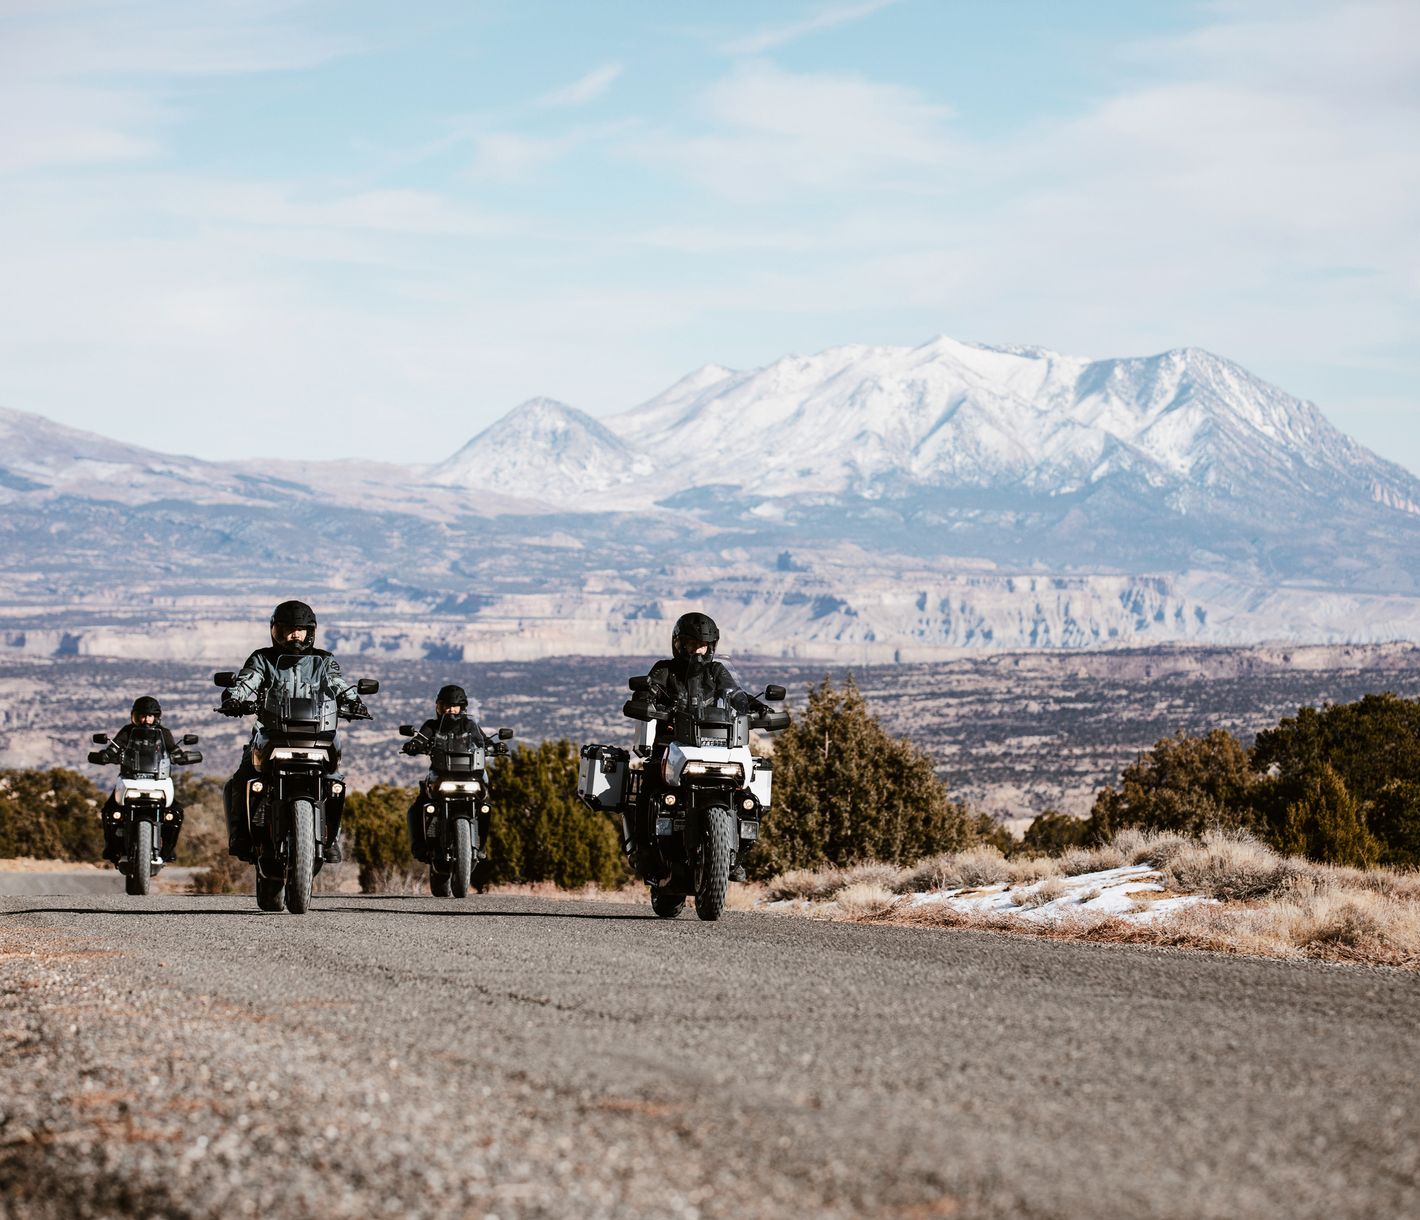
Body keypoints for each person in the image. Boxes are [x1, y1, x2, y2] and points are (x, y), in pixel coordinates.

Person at [220, 600, 369, 862]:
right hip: (272, 732)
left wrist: (353, 700)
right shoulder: (263, 658)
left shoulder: (323, 660)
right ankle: (241, 836)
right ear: (275, 631)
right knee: (242, 779)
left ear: (310, 631)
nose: (295, 635)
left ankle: (330, 836)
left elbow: (338, 683)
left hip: (317, 733)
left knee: (335, 781)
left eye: (300, 630)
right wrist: (234, 697)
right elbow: (248, 680)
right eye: (288, 629)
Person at [627, 612, 762, 880]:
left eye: (703, 645)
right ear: (679, 644)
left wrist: (755, 707)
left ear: (711, 647)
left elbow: (734, 694)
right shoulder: (665, 669)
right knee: (649, 787)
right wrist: (645, 698)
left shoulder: (716, 671)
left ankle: (736, 853)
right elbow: (648, 689)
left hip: (713, 746)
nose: (698, 651)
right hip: (670, 745)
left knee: (749, 796)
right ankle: (644, 853)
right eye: (692, 644)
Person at [402, 684, 497, 862]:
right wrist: (414, 745)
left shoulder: (470, 725)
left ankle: (481, 845)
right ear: (439, 706)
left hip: (469, 774)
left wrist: (495, 746)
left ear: (462, 708)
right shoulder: (432, 725)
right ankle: (419, 846)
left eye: (454, 706)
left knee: (485, 806)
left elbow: (483, 741)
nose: (450, 709)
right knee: (417, 807)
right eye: (446, 705)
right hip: (441, 774)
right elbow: (421, 738)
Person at [96, 696, 186, 864]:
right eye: (142, 716)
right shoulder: (127, 731)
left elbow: (174, 749)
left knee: (176, 812)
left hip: (157, 780)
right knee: (109, 810)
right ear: (134, 716)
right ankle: (111, 846)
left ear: (157, 717)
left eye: (150, 716)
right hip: (130, 779)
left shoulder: (164, 733)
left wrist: (180, 756)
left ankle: (168, 849)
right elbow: (114, 747)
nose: (146, 720)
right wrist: (106, 755)